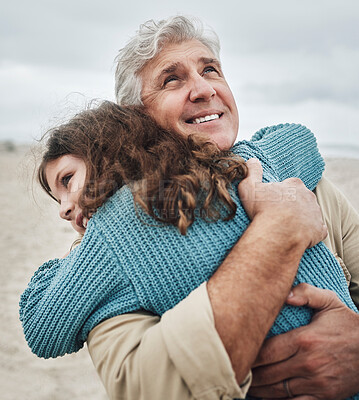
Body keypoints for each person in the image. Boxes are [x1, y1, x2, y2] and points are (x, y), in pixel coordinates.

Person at [87, 15, 359, 400]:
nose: (203, 89)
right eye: (172, 79)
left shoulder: (304, 184)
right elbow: (143, 386)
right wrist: (280, 228)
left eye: (210, 70)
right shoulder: (119, 236)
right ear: (136, 120)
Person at [20, 98, 359, 400]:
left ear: (103, 148)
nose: (63, 208)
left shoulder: (110, 242)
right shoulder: (246, 165)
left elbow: (42, 326)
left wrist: (73, 254)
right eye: (58, 198)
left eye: (67, 180)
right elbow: (300, 140)